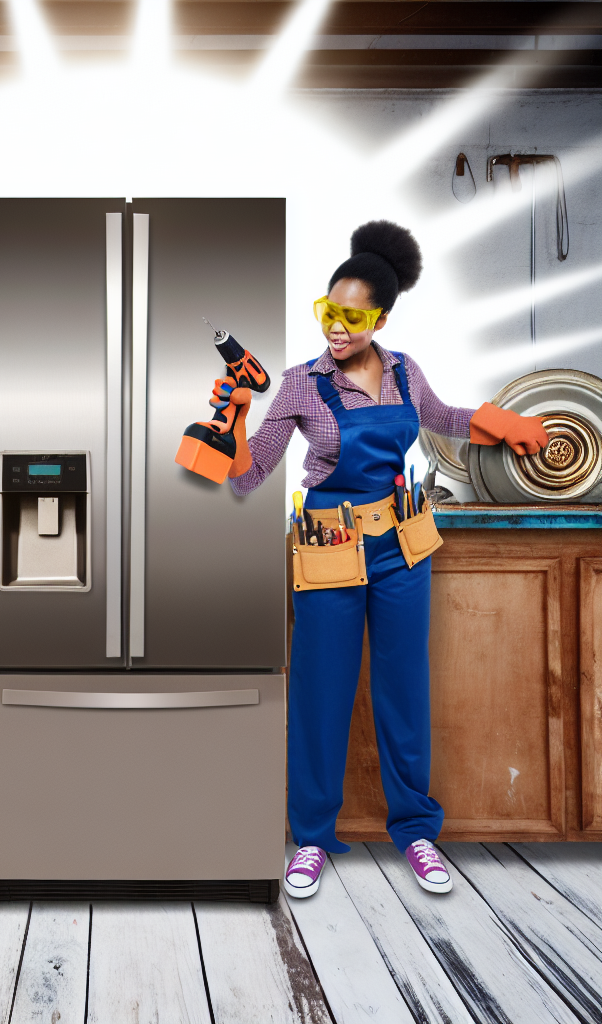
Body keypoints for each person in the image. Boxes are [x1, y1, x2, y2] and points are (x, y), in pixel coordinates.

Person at [219, 221, 548, 897]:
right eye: (328, 312)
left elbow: (445, 416)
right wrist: (228, 420)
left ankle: (417, 831)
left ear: (381, 318)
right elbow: (249, 477)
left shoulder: (403, 371)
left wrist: (506, 424)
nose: (335, 329)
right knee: (322, 692)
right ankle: (312, 838)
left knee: (404, 690)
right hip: (330, 547)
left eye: (352, 317)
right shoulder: (299, 384)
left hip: (401, 545)